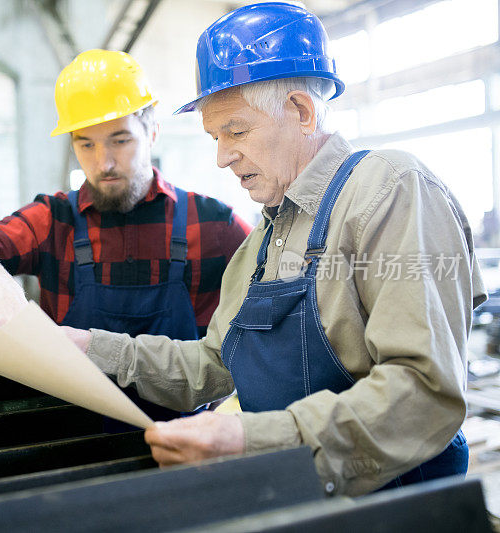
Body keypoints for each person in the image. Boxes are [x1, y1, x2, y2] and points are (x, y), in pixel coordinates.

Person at [64, 3, 486, 495]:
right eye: (214, 137)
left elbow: (423, 394)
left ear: (302, 111)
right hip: (302, 495)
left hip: (399, 505)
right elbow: (212, 366)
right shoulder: (262, 241)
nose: (222, 157)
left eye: (236, 131)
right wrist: (92, 348)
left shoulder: (388, 190)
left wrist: (251, 438)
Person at [0, 49, 251, 427]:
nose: (103, 163)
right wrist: (0, 286)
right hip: (71, 441)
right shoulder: (55, 220)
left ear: (151, 132)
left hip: (184, 440)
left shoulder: (215, 225)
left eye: (120, 141)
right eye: (86, 144)